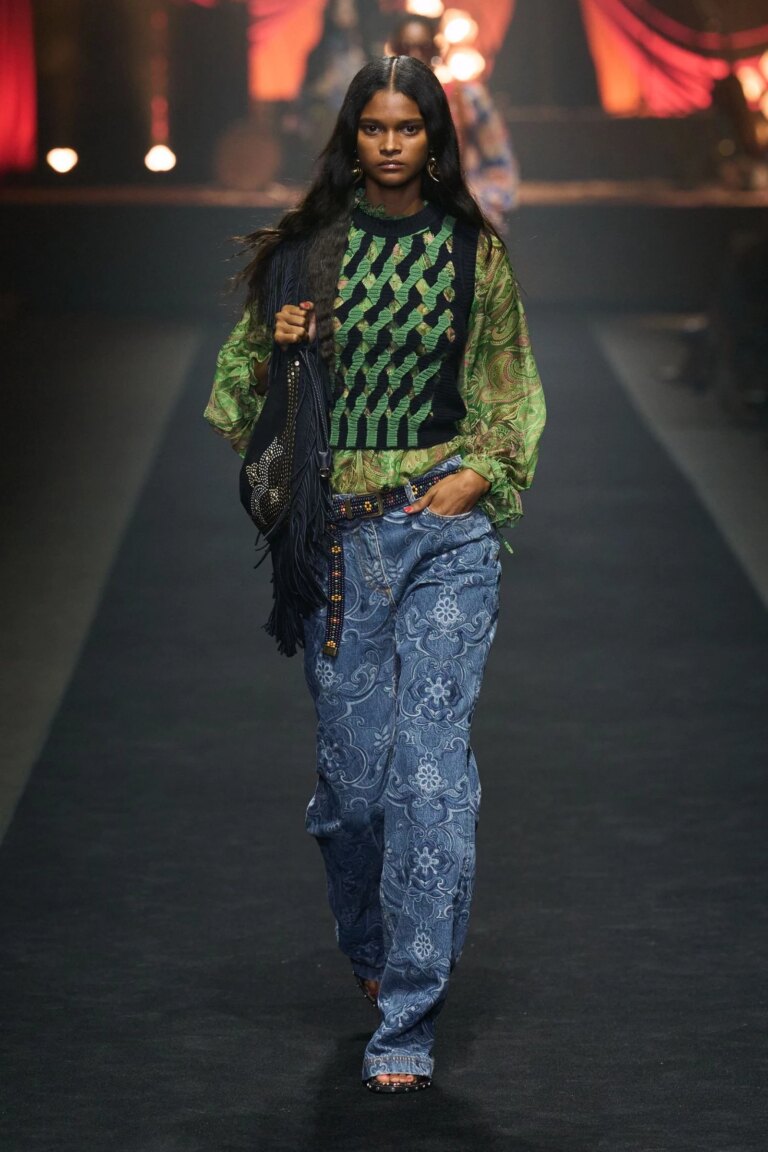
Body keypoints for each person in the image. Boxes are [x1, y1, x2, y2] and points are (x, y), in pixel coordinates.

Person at [204, 55, 545, 1093]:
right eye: (374, 126)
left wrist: (478, 475)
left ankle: (409, 1011)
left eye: (409, 127)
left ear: (435, 137)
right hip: (340, 544)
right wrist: (282, 347)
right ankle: (369, 942)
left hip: (443, 534)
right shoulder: (303, 254)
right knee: (355, 793)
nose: (391, 144)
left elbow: (511, 392)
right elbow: (235, 404)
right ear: (350, 136)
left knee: (429, 777)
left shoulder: (473, 252)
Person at [390, 13, 520, 232]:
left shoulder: (466, 98)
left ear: (436, 51)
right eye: (406, 48)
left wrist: (472, 206)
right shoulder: (378, 105)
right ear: (394, 52)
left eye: (423, 48)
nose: (415, 56)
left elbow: (502, 168)